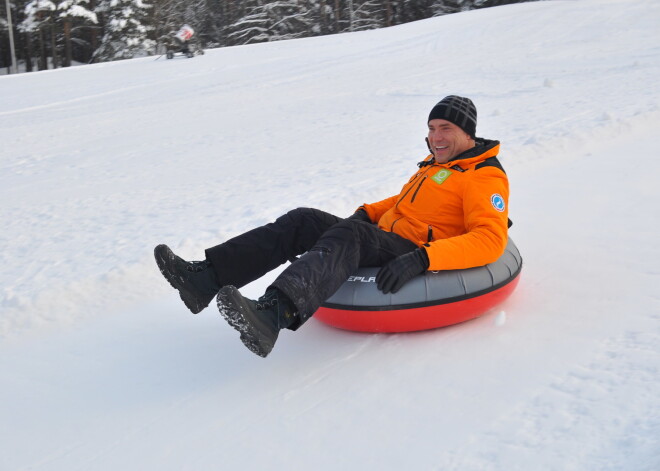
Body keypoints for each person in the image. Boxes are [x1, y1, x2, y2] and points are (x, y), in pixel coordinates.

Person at [155, 95, 510, 358]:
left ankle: (273, 315)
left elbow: (490, 240)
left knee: (351, 236)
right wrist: (366, 212)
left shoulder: (484, 176)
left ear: (467, 133)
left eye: (445, 128)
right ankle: (204, 279)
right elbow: (403, 202)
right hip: (386, 236)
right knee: (304, 219)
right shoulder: (436, 165)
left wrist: (423, 259)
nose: (436, 136)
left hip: (411, 249)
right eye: (432, 129)